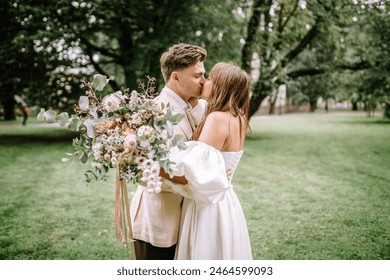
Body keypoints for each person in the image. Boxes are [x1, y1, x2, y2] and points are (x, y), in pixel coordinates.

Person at [166, 62, 252, 259]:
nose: (205, 81)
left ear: (221, 86)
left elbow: (193, 170)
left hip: (207, 205)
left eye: (210, 78)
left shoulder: (216, 119)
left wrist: (153, 162)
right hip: (226, 201)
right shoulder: (239, 117)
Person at [130, 43, 208, 260]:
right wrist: (198, 183)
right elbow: (145, 170)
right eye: (197, 75)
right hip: (160, 222)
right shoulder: (154, 111)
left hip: (189, 220)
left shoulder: (197, 107)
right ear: (176, 77)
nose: (204, 80)